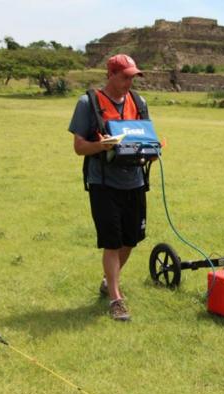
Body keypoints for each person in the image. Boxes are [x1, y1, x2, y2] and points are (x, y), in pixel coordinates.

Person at [68, 54, 149, 321]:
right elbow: (79, 147)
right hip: (104, 182)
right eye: (125, 77)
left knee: (130, 240)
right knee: (112, 242)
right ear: (111, 74)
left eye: (132, 77)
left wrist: (153, 150)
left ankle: (108, 280)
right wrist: (101, 146)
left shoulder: (139, 102)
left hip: (135, 180)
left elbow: (145, 136)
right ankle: (116, 298)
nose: (129, 82)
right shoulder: (88, 103)